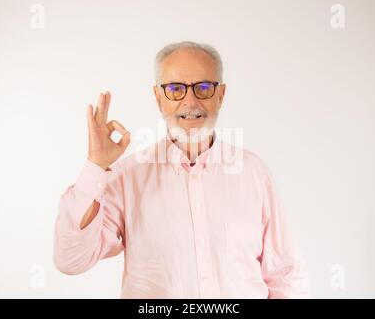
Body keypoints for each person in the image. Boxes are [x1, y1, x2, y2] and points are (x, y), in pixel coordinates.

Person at [53, 41, 309, 298]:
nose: (190, 100)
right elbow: (71, 260)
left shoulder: (253, 172)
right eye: (175, 89)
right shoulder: (127, 177)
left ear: (220, 95)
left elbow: (284, 274)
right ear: (158, 97)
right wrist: (95, 165)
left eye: (204, 88)